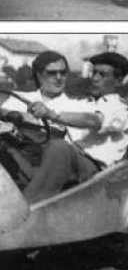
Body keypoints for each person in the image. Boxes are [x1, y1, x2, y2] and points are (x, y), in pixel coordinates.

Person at [8, 51, 128, 203]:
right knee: (12, 138)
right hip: (73, 159)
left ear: (118, 80)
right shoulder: (86, 103)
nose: (95, 78)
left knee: (60, 147)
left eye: (102, 75)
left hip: (95, 171)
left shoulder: (120, 108)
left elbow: (93, 121)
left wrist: (52, 115)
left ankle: (25, 211)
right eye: (94, 73)